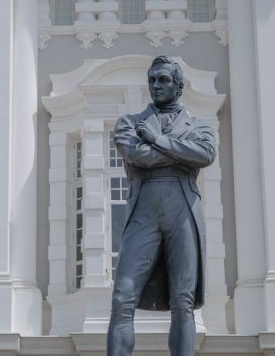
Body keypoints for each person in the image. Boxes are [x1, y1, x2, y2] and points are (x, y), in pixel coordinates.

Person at [107, 55, 216, 356]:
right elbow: (136, 156)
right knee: (121, 297)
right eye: (152, 80)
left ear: (179, 86)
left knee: (183, 301)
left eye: (164, 80)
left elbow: (206, 154)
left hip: (182, 214)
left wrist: (157, 140)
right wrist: (182, 154)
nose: (156, 85)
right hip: (144, 215)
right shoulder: (129, 123)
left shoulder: (200, 127)